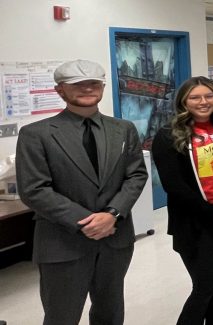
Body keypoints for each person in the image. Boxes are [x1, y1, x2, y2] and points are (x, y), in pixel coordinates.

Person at [16, 59, 148, 325]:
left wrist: (112, 214)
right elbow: (34, 189)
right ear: (60, 90)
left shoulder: (123, 129)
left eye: (93, 83)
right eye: (78, 84)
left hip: (115, 239)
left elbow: (136, 175)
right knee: (61, 316)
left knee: (110, 313)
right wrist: (86, 222)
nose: (87, 89)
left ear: (102, 87)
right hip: (62, 242)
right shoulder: (36, 134)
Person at [152, 76, 213, 325]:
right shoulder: (168, 135)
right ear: (183, 101)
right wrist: (212, 211)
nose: (203, 102)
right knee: (207, 281)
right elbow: (174, 185)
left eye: (209, 96)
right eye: (195, 97)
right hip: (194, 221)